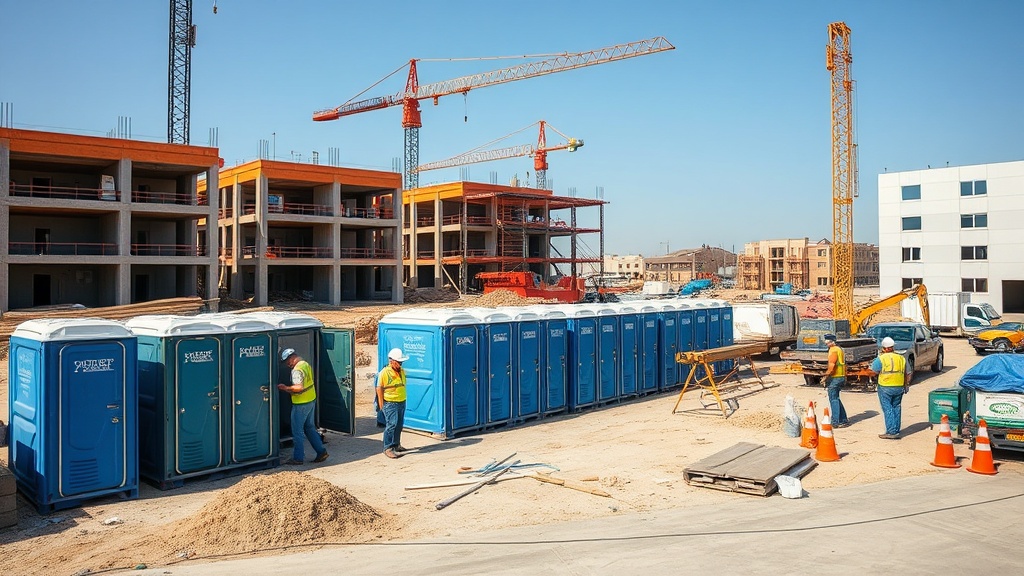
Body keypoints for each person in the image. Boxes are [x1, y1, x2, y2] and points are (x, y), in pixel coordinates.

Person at [277, 348, 329, 465]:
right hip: (311, 400)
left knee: (297, 432)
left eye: (287, 362)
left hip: (301, 404)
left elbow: (299, 388)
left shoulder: (297, 370)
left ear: (291, 358)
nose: (287, 365)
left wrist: (285, 388)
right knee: (309, 428)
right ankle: (321, 452)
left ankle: (298, 458)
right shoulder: (305, 364)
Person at [867, 336, 909, 439]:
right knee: (897, 407)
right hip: (899, 387)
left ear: (884, 348)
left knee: (888, 408)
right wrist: (906, 385)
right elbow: (908, 373)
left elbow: (874, 372)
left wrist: (866, 372)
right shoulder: (901, 358)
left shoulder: (881, 358)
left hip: (885, 387)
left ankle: (891, 432)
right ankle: (896, 430)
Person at [377, 347, 409, 459]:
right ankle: (388, 448)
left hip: (401, 401)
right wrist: (381, 404)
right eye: (399, 362)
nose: (400, 364)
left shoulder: (401, 371)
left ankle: (396, 444)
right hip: (390, 403)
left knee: (399, 425)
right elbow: (379, 388)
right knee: (391, 425)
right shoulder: (385, 372)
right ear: (392, 361)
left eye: (401, 362)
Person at [822, 334, 850, 428]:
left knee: (833, 399)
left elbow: (832, 365)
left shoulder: (833, 350)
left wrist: (825, 377)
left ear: (831, 342)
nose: (826, 344)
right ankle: (843, 420)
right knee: (836, 399)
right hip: (841, 376)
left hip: (835, 377)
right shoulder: (839, 349)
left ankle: (835, 421)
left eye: (827, 342)